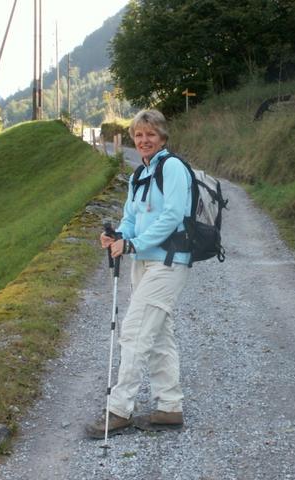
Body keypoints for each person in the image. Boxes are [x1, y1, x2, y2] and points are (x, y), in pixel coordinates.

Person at [85, 109, 192, 438]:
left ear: (162, 137)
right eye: (139, 135)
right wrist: (118, 236)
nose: (144, 140)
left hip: (169, 261)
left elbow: (173, 215)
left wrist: (134, 243)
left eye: (151, 134)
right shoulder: (140, 173)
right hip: (143, 261)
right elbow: (131, 217)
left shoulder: (172, 167)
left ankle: (119, 410)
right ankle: (169, 407)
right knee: (158, 334)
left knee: (134, 332)